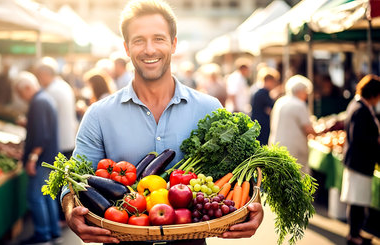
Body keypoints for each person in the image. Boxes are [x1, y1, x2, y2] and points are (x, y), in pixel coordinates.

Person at [61, 0, 263, 244]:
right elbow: (74, 178)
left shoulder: (209, 109)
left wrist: (255, 206)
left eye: (158, 38)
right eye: (138, 40)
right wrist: (71, 210)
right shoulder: (99, 115)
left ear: (173, 43)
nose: (149, 49)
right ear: (126, 47)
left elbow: (243, 178)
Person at [13, 71, 61, 245]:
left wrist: (32, 158)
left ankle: (42, 234)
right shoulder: (45, 98)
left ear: (26, 87)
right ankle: (53, 231)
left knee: (35, 197)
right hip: (50, 157)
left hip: (42, 159)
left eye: (20, 93)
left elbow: (42, 135)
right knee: (47, 195)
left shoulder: (38, 102)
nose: (21, 97)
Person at [340, 74, 380, 245]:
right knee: (357, 202)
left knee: (358, 200)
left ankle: (355, 233)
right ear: (373, 94)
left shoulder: (359, 106)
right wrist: (377, 141)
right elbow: (358, 137)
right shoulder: (360, 109)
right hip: (359, 161)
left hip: (358, 161)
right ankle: (354, 235)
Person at [268, 75, 317, 173]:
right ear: (300, 91)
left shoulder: (280, 101)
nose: (306, 95)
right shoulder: (299, 105)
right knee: (296, 176)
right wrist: (317, 133)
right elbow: (308, 129)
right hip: (294, 149)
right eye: (306, 92)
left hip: (276, 144)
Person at [35, 57, 78, 159]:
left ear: (44, 74)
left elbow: (45, 121)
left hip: (60, 143)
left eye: (39, 76)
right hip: (69, 139)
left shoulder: (51, 91)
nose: (39, 79)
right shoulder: (63, 85)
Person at [250, 67, 279, 145]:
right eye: (273, 82)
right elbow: (271, 108)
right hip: (262, 126)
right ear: (268, 81)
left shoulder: (259, 92)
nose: (274, 84)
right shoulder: (262, 93)